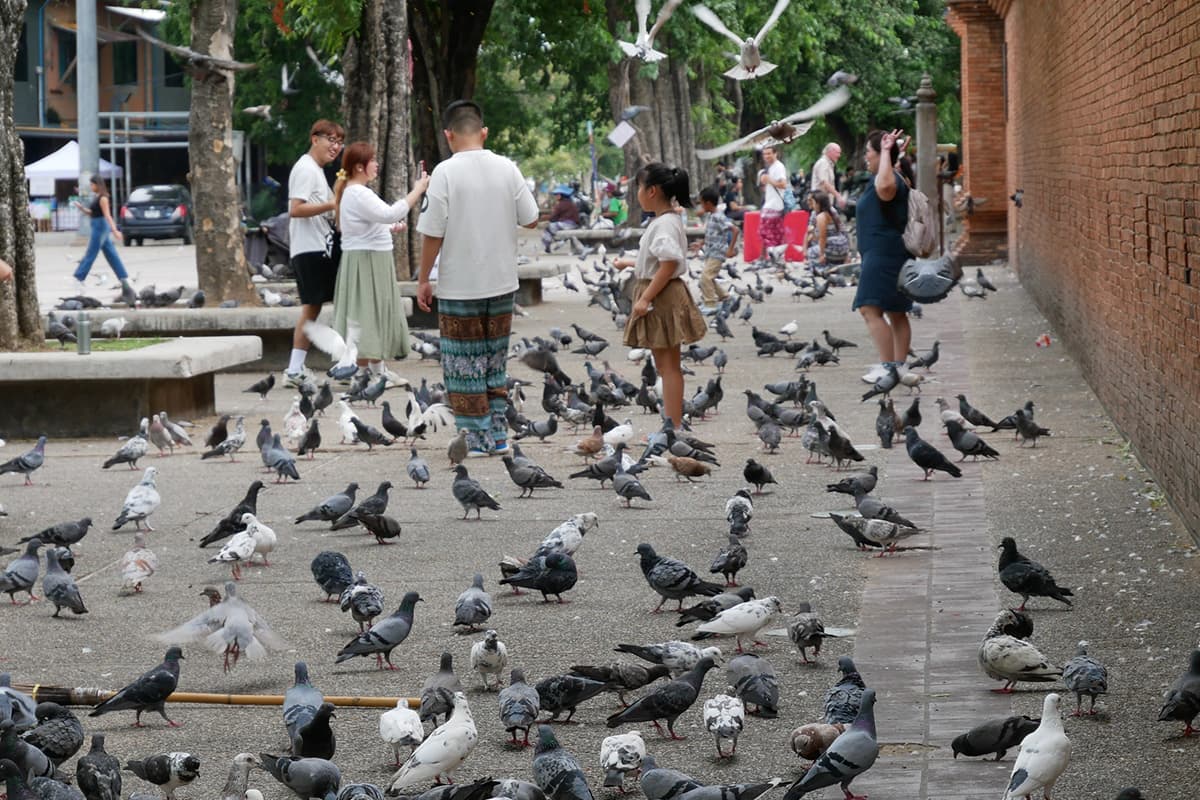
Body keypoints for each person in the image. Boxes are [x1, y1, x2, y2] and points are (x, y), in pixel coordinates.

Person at [416, 100, 539, 457]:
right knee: (494, 362)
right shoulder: (507, 168)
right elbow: (531, 218)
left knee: (463, 364)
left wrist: (424, 278)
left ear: (448, 135)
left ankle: (475, 438)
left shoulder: (444, 173)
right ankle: (499, 436)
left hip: (459, 286)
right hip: (501, 283)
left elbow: (433, 233)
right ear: (484, 132)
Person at [612, 163, 707, 428]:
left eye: (639, 189)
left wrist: (645, 298)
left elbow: (668, 263)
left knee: (667, 367)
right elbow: (661, 261)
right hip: (664, 291)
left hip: (661, 295)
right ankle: (672, 424)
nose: (637, 194)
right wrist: (630, 264)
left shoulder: (663, 224)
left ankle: (672, 426)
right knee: (669, 366)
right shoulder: (669, 219)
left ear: (651, 191)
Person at [331, 142, 429, 383]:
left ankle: (375, 372)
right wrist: (418, 189)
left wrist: (387, 228)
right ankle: (366, 375)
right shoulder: (357, 193)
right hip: (368, 261)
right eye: (373, 160)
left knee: (369, 316)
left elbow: (370, 222)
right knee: (367, 316)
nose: (377, 165)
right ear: (359, 167)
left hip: (370, 258)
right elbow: (389, 213)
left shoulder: (354, 192)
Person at [285, 119, 345, 387]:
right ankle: (295, 369)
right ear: (314, 139)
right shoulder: (306, 169)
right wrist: (332, 203)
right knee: (313, 308)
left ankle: (296, 367)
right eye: (330, 140)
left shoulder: (316, 171)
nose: (336, 146)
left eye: (339, 142)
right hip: (311, 249)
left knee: (315, 307)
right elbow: (295, 209)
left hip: (318, 247)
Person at [853, 129, 913, 384]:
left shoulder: (888, 180)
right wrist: (893, 155)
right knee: (896, 311)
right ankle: (898, 367)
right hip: (887, 252)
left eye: (869, 151)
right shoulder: (890, 175)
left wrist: (889, 151)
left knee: (869, 308)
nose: (865, 156)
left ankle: (888, 367)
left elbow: (886, 188)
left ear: (880, 154)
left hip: (883, 254)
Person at [71, 176, 134, 299]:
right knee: (111, 254)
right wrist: (82, 208)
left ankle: (79, 278)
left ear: (97, 184)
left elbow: (107, 215)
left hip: (100, 227)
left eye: (92, 185)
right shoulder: (97, 197)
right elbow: (93, 213)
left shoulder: (103, 198)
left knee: (91, 253)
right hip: (96, 225)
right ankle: (124, 278)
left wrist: (115, 230)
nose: (91, 187)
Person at [695, 186, 738, 313]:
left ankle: (710, 304)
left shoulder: (719, 217)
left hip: (717, 253)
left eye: (701, 203)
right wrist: (701, 243)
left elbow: (735, 230)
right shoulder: (712, 216)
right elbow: (712, 234)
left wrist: (730, 249)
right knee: (710, 278)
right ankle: (726, 297)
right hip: (711, 252)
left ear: (708, 203)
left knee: (705, 278)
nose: (701, 206)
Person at [757, 145, 788, 265]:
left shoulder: (779, 167)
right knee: (775, 232)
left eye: (769, 153)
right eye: (765, 154)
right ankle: (770, 257)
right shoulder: (769, 167)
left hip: (774, 205)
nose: (766, 156)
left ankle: (768, 257)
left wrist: (769, 180)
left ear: (776, 153)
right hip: (770, 202)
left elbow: (783, 184)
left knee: (765, 231)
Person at [804, 191, 850, 270]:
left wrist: (821, 254)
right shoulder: (827, 212)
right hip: (841, 245)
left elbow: (823, 237)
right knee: (812, 239)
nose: (809, 202)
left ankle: (825, 268)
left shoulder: (821, 216)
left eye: (812, 201)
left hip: (833, 246)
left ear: (818, 203)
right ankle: (835, 263)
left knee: (811, 252)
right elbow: (843, 230)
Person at [541, 185, 580, 252]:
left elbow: (553, 217)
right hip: (573, 224)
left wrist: (544, 218)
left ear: (562, 195)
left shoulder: (561, 205)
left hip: (567, 224)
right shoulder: (570, 203)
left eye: (557, 195)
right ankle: (553, 242)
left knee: (548, 227)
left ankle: (547, 244)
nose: (556, 196)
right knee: (552, 227)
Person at [811, 142, 843, 207]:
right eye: (837, 152)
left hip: (824, 203)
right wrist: (838, 195)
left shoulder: (828, 164)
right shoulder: (823, 163)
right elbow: (825, 183)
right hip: (820, 203)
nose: (839, 155)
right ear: (830, 151)